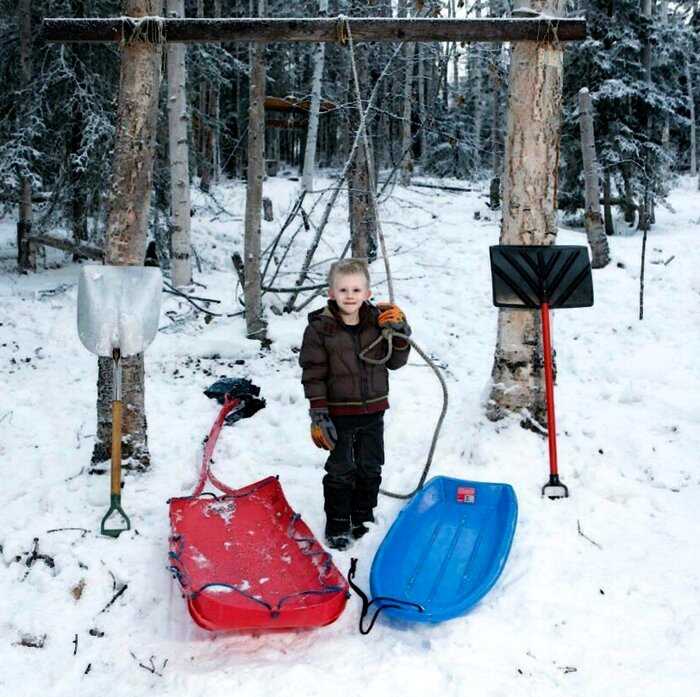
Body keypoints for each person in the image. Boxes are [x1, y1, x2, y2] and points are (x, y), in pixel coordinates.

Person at [299, 258, 411, 550]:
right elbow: (313, 373)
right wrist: (318, 413)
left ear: (368, 292)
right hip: (338, 413)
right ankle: (337, 521)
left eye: (356, 289)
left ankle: (362, 516)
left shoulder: (379, 321)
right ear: (331, 292)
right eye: (343, 289)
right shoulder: (320, 329)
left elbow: (396, 362)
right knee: (340, 468)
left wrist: (400, 332)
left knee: (370, 466)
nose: (350, 295)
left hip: (374, 411)